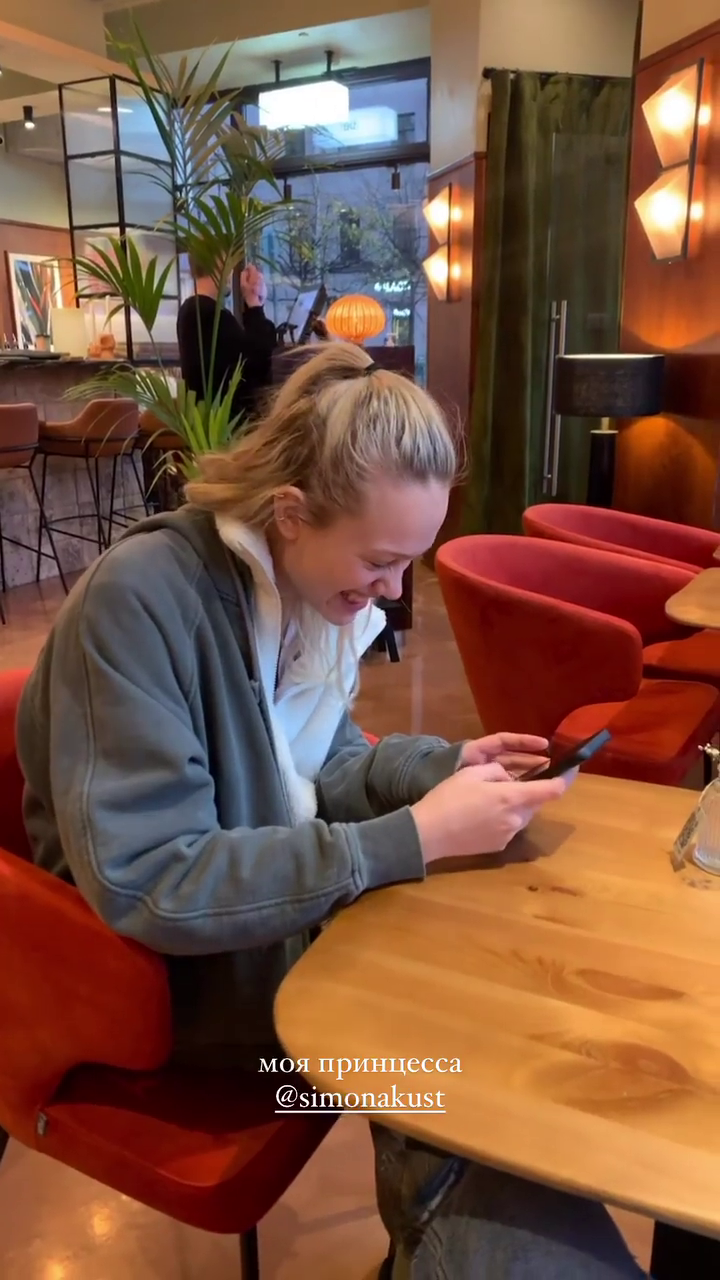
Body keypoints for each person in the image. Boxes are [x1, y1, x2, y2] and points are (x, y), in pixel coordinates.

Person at [15, 343, 646, 1279]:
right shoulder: (142, 602)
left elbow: (322, 766)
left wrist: (443, 769)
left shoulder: (294, 586)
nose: (393, 593)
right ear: (290, 512)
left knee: (496, 1014)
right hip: (181, 999)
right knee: (457, 1051)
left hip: (279, 938)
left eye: (410, 564)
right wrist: (409, 839)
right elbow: (153, 883)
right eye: (382, 562)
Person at [177, 259, 276, 424]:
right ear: (220, 263)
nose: (233, 274)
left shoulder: (193, 310)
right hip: (228, 429)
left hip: (213, 427)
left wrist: (254, 304)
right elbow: (258, 363)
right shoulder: (209, 315)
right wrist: (254, 302)